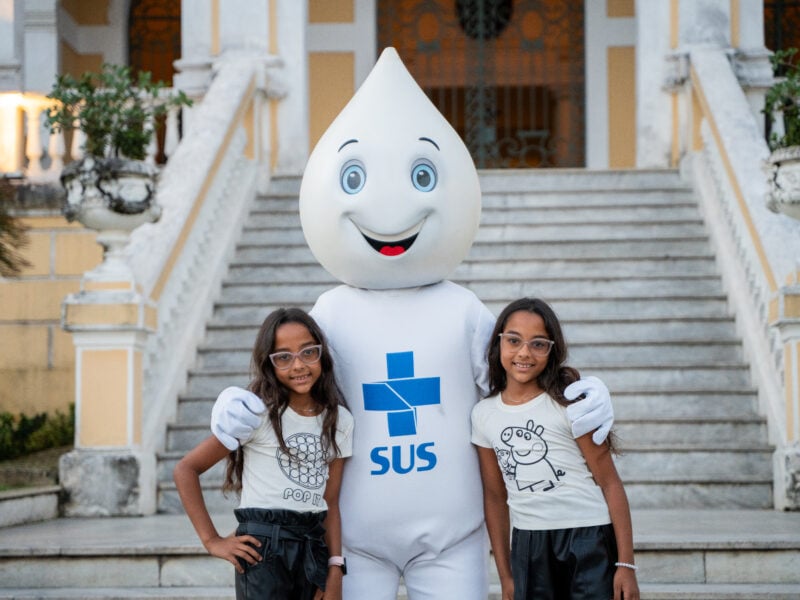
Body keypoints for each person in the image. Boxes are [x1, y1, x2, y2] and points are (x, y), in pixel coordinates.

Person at [210, 48, 615, 600]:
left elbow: (515, 379)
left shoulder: (464, 308)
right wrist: (236, 402)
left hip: (454, 537)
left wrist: (581, 392)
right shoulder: (329, 311)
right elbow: (293, 377)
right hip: (353, 538)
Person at [174, 308, 354, 600]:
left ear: (322, 353)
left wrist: (335, 567)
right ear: (269, 364)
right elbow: (186, 469)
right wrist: (212, 540)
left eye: (308, 352)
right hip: (263, 551)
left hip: (312, 547)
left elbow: (330, 501)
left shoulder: (340, 421)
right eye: (283, 357)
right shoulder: (256, 414)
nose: (298, 365)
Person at [472, 298, 639, 600]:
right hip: (528, 544)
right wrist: (506, 575)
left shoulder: (571, 404)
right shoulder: (483, 415)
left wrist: (626, 563)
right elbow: (495, 497)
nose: (524, 352)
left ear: (552, 350)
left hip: (588, 537)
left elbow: (610, 483)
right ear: (498, 344)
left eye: (538, 344)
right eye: (513, 340)